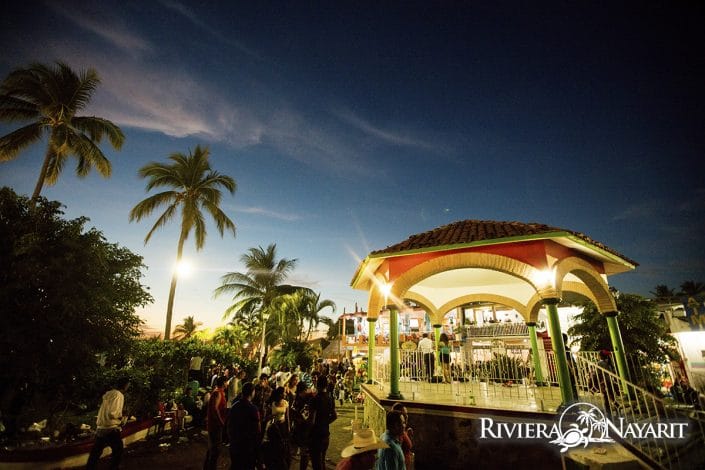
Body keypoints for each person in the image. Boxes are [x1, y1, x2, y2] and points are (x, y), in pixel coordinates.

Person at [86, 377, 130, 470]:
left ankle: (90, 468)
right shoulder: (119, 394)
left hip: (101, 427)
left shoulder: (108, 393)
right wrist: (123, 415)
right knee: (118, 450)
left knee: (96, 452)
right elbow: (113, 413)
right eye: (128, 385)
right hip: (110, 428)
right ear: (125, 385)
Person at [228, 382, 261, 470]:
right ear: (252, 392)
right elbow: (258, 429)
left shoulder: (234, 406)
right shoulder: (253, 409)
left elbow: (229, 425)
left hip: (235, 444)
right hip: (247, 446)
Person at [309, 375, 337, 470]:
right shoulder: (330, 399)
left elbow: (312, 420)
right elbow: (334, 416)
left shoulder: (314, 399)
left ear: (317, 384)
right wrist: (325, 422)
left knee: (316, 463)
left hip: (316, 435)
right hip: (325, 433)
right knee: (322, 460)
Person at [261, 389, 291, 470]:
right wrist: (269, 417)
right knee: (274, 444)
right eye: (283, 392)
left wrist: (288, 427)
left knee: (282, 443)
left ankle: (281, 457)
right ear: (279, 394)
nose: (285, 394)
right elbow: (266, 417)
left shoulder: (285, 403)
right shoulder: (273, 403)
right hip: (273, 427)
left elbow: (287, 416)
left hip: (282, 426)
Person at [203, 376, 228, 470]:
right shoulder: (217, 393)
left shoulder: (220, 392)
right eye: (226, 382)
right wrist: (221, 422)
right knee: (215, 449)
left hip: (216, 424)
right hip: (215, 425)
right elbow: (215, 409)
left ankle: (207, 467)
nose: (227, 383)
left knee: (212, 449)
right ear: (223, 383)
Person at [391, 403, 413, 469]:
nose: (406, 416)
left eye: (407, 414)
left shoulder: (402, 431)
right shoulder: (398, 434)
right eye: (403, 414)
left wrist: (407, 434)